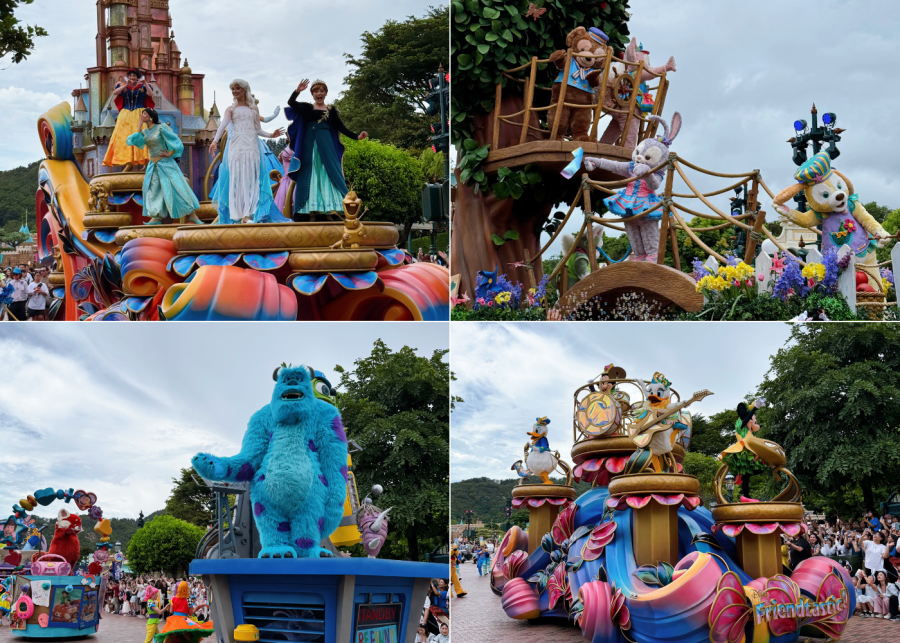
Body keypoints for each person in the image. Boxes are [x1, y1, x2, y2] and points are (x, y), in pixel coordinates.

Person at [285, 78, 367, 222]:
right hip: (310, 147)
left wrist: (357, 136)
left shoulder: (331, 111)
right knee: (310, 175)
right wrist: (297, 91)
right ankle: (310, 212)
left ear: (326, 93)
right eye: (316, 91)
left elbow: (341, 127)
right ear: (312, 94)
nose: (319, 93)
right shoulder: (307, 108)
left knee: (329, 173)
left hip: (326, 146)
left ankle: (330, 211)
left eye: (322, 90)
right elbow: (291, 103)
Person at [210, 79, 284, 224]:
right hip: (236, 148)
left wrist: (271, 135)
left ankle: (249, 214)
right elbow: (223, 125)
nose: (234, 91)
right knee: (238, 179)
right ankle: (239, 215)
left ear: (245, 90)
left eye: (237, 88)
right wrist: (214, 141)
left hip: (252, 148)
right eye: (232, 89)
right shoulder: (230, 109)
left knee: (252, 179)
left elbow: (257, 129)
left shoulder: (253, 109)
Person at [127, 108, 203, 225]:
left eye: (145, 113)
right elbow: (135, 141)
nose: (142, 115)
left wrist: (169, 153)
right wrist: (139, 125)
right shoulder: (145, 132)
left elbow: (175, 142)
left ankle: (192, 215)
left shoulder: (161, 128)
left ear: (151, 116)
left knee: (177, 188)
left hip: (166, 163)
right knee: (153, 190)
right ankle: (156, 218)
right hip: (153, 165)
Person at [103, 68, 154, 170]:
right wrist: (126, 85)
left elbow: (150, 94)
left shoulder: (143, 86)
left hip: (139, 114)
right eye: (130, 75)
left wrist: (145, 83)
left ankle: (141, 160)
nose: (132, 77)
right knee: (123, 137)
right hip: (125, 115)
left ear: (137, 77)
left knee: (140, 135)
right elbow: (115, 93)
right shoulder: (122, 86)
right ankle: (127, 159)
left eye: (134, 75)